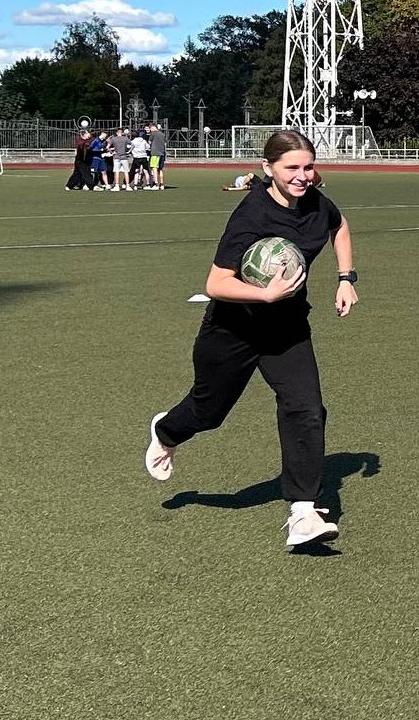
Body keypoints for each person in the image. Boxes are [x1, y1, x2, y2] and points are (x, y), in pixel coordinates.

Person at [145, 128, 359, 550]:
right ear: (268, 168)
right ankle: (167, 432)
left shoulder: (317, 203)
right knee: (208, 411)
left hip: (287, 328)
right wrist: (265, 294)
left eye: (309, 167)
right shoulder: (251, 216)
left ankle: (303, 512)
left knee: (306, 408)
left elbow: (340, 226)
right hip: (233, 329)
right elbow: (216, 283)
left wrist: (345, 278)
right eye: (291, 168)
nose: (302, 176)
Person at [146, 124, 166, 189]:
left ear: (153, 127)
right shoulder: (162, 134)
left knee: (154, 168)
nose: (150, 130)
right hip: (162, 153)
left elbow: (149, 142)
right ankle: (162, 184)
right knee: (160, 169)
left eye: (150, 128)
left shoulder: (153, 134)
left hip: (155, 153)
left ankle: (156, 184)